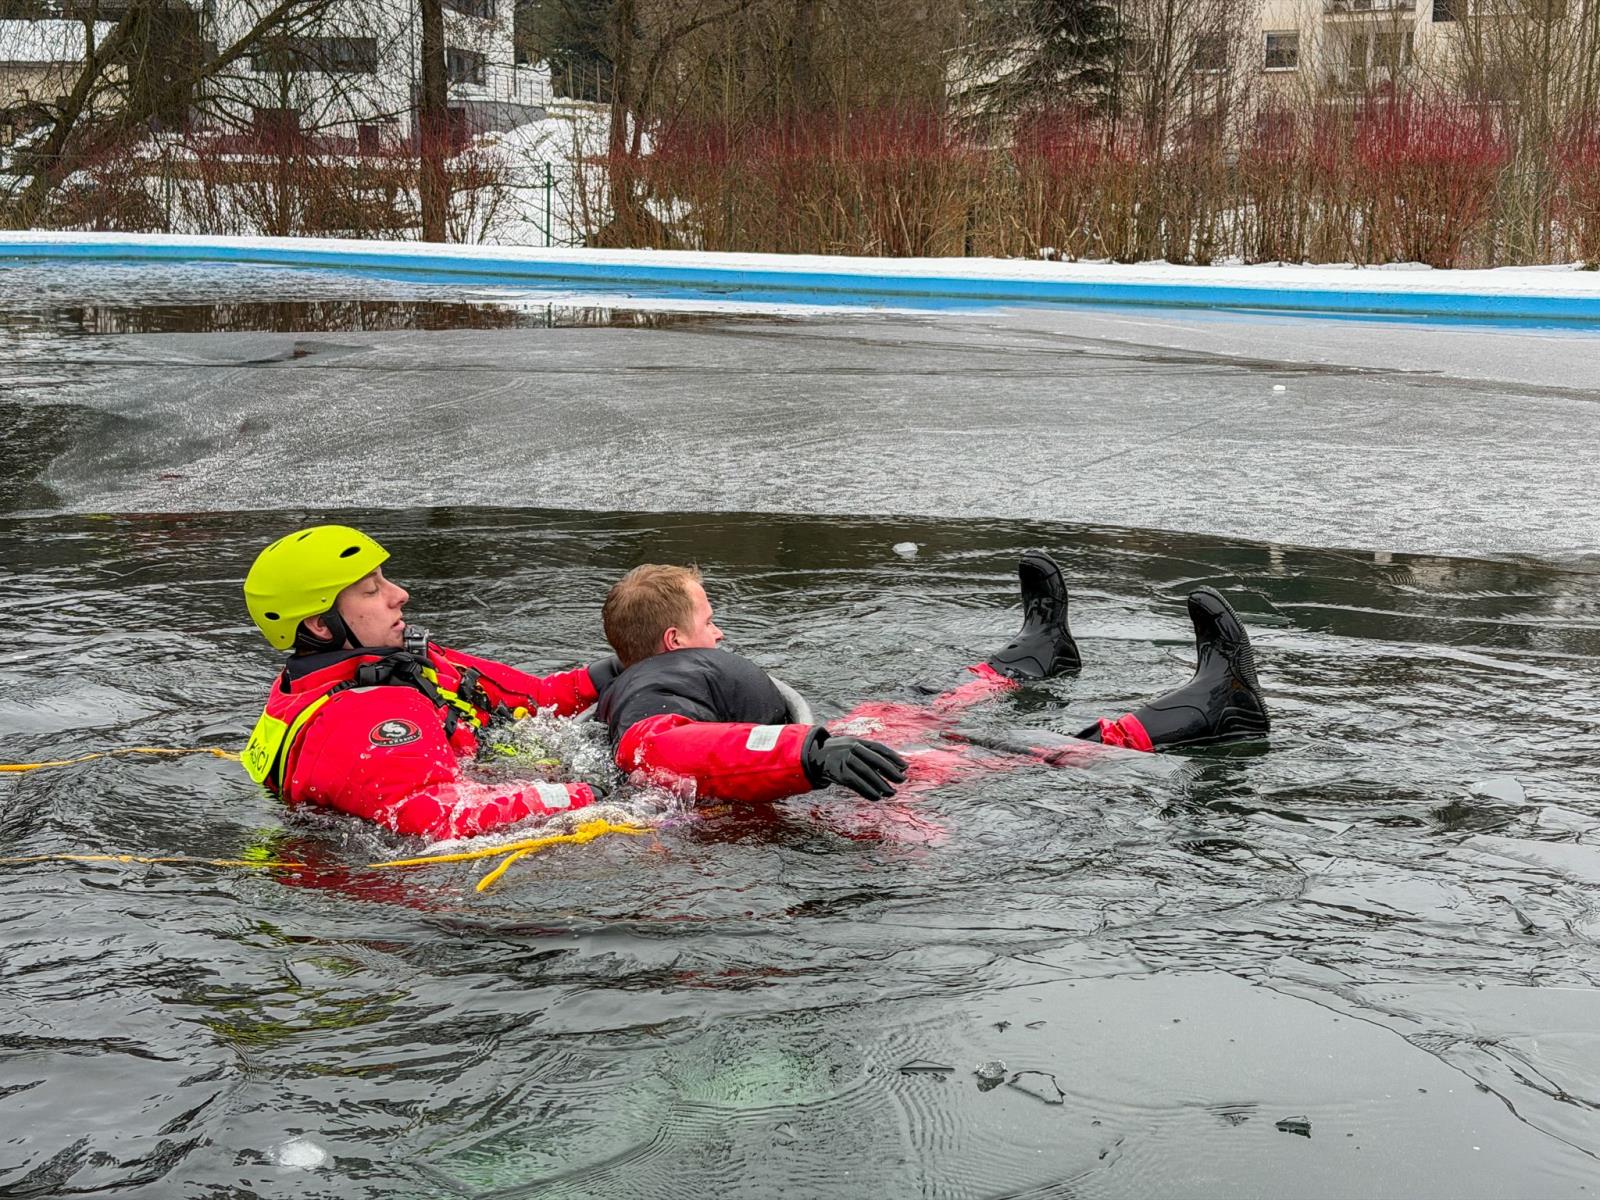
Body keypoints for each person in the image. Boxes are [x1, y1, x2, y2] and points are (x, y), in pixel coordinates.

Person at [595, 554, 1270, 804]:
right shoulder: (652, 696)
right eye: (710, 622)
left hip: (800, 763)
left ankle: (1032, 659)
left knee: (892, 711)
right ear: (674, 641)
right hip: (806, 793)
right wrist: (805, 755)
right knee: (991, 757)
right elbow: (655, 750)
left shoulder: (620, 680)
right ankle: (1205, 715)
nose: (720, 634)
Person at [240, 525, 618, 840]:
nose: (399, 595)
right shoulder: (360, 713)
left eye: (385, 581)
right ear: (320, 625)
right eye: (371, 591)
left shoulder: (396, 659)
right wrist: (592, 794)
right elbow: (438, 816)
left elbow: (534, 697)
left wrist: (617, 669)